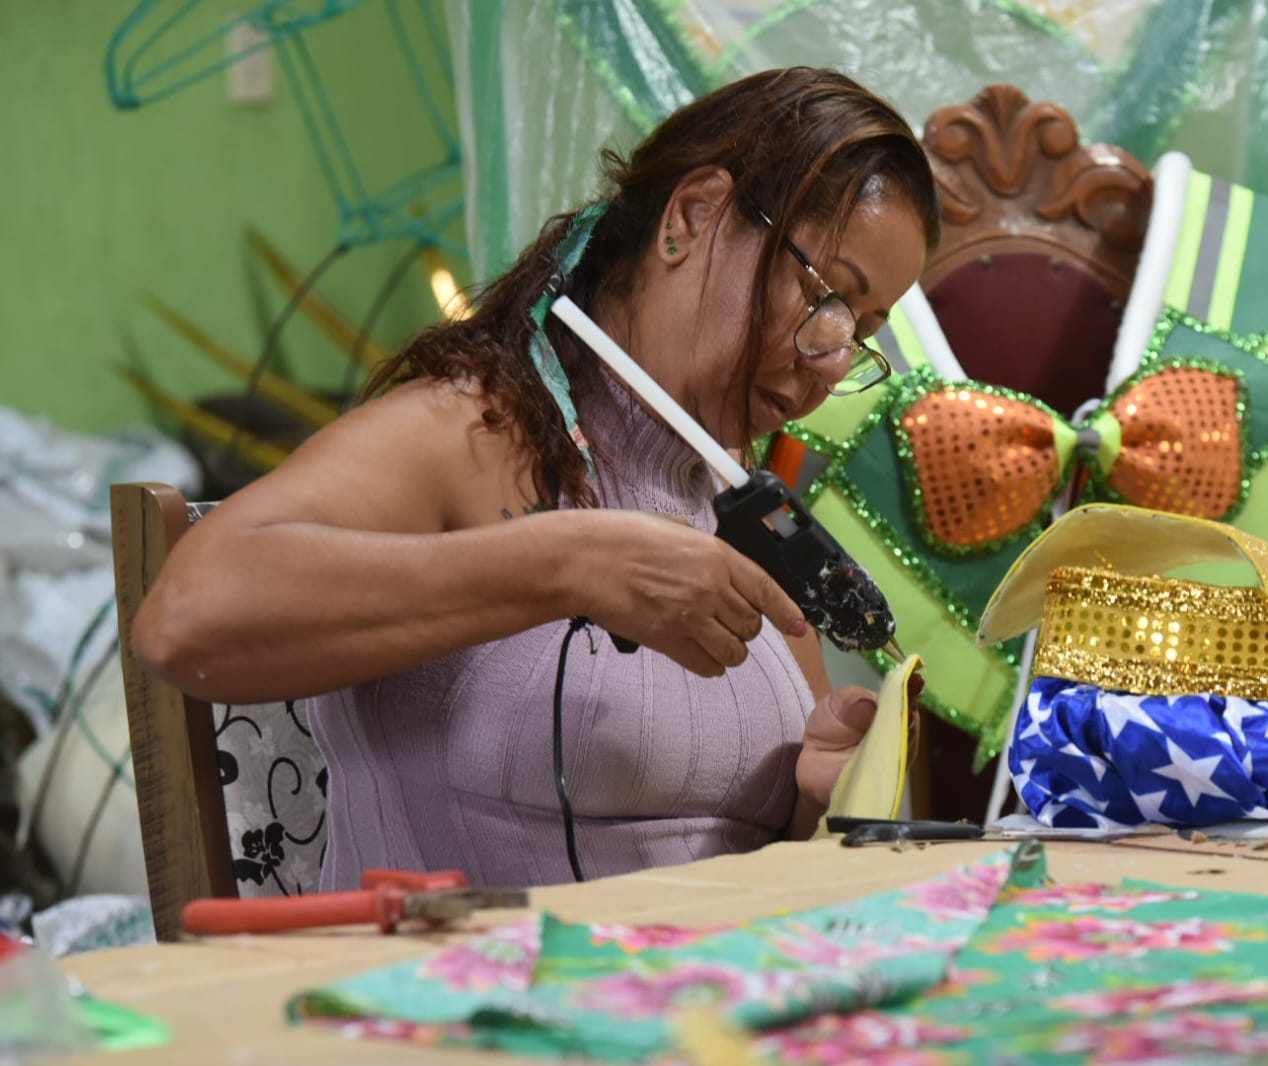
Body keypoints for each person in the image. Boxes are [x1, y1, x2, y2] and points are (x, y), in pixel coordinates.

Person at [132, 67, 940, 889]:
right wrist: (565, 563)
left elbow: (745, 862)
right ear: (693, 216)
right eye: (829, 298)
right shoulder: (472, 429)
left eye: (861, 333)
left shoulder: (743, 511)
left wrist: (817, 797)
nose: (831, 362)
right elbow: (186, 621)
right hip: (461, 1001)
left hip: (694, 998)